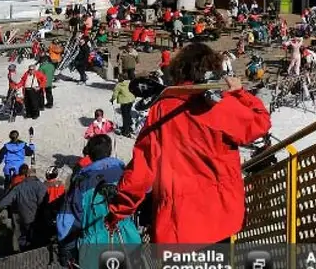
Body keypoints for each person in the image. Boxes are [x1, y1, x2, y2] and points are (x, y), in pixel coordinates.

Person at [105, 42, 272, 243]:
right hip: (221, 216)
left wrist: (119, 209)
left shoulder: (163, 109)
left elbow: (142, 168)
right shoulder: (221, 104)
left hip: (178, 224)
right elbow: (260, 122)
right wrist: (239, 92)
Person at [56, 135, 142, 267]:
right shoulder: (125, 174)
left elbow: (67, 221)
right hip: (128, 238)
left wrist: (66, 249)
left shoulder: (81, 183)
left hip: (95, 248)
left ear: (90, 154)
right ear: (109, 150)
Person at [0, 164, 48, 251]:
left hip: (23, 218)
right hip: (37, 218)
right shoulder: (41, 186)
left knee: (23, 236)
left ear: (26, 175)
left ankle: (23, 250)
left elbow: (4, 202)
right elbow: (44, 202)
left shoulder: (18, 187)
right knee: (36, 237)